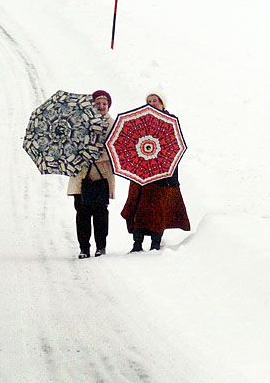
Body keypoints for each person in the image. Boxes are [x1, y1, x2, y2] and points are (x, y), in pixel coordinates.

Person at [121, 93, 191, 252]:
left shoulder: (170, 121)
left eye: (155, 101)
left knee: (158, 210)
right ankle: (137, 243)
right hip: (141, 175)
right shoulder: (139, 121)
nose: (152, 103)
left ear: (162, 104)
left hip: (163, 176)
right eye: (149, 101)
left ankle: (155, 243)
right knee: (139, 209)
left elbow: (174, 146)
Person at [67, 90, 116, 259]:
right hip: (81, 175)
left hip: (102, 175)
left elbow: (114, 150)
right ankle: (84, 247)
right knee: (82, 214)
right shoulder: (79, 122)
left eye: (104, 104)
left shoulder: (113, 124)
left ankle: (101, 246)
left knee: (101, 213)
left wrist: (95, 153)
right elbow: (71, 145)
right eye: (98, 103)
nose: (101, 106)